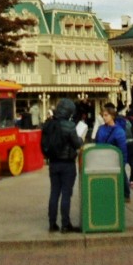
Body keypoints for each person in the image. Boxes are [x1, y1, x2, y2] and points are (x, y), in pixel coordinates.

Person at [40, 98, 83, 233]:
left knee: (54, 193)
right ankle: (65, 224)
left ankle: (52, 223)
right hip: (67, 163)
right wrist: (81, 138)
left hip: (53, 162)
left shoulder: (49, 124)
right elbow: (77, 144)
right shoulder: (69, 126)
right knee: (66, 194)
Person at [95, 105, 130, 201]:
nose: (104, 117)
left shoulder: (119, 131)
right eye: (103, 115)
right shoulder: (101, 128)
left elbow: (122, 149)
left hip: (113, 160)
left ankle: (125, 194)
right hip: (102, 159)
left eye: (106, 115)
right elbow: (97, 143)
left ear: (112, 116)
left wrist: (122, 163)